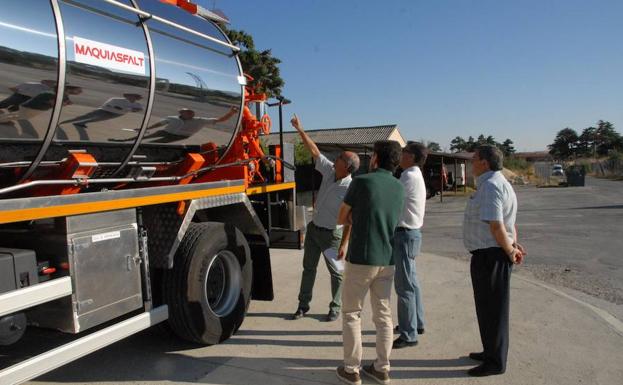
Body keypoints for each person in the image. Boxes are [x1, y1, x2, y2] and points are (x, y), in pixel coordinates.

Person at [336, 140, 404, 385]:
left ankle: (351, 369)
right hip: (387, 258)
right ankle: (382, 367)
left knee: (352, 313)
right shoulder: (399, 187)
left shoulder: (361, 182)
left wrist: (356, 216)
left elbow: (342, 216)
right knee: (383, 315)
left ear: (375, 158)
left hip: (362, 259)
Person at [463, 144, 526, 377]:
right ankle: (490, 350)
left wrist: (509, 250)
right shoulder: (498, 183)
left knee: (493, 310)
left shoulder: (490, 186)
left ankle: (495, 361)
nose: (471, 163)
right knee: (487, 308)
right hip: (491, 253)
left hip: (491, 256)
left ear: (485, 163)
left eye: (474, 159)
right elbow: (510, 223)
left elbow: (497, 225)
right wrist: (513, 244)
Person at [290, 114, 360, 322]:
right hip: (314, 231)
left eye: (339, 158)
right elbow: (314, 151)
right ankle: (303, 305)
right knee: (308, 268)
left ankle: (335, 307)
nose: (335, 159)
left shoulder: (351, 188)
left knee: (336, 274)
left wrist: (344, 244)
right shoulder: (330, 171)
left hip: (331, 236)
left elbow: (351, 220)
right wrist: (300, 130)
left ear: (346, 167)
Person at [392, 142, 428, 349]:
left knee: (404, 286)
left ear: (412, 157)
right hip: (412, 234)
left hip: (405, 234)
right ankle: (417, 323)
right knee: (412, 282)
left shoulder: (408, 176)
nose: (400, 156)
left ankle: (408, 334)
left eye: (404, 153)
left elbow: (394, 201)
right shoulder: (415, 174)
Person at [59, 93, 144, 140]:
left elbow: (139, 109)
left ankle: (80, 123)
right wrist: (115, 107)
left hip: (117, 114)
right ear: (128, 96)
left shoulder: (137, 104)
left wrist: (131, 109)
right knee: (86, 116)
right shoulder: (116, 99)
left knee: (97, 120)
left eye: (136, 97)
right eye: (133, 96)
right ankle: (64, 122)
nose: (134, 98)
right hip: (104, 110)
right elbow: (108, 104)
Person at [132, 107, 237, 143]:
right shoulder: (172, 118)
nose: (190, 114)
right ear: (181, 113)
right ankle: (128, 141)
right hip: (165, 131)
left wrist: (231, 113)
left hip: (179, 136)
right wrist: (145, 128)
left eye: (191, 113)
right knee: (147, 136)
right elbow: (159, 124)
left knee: (155, 142)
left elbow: (221, 120)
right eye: (187, 112)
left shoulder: (200, 120)